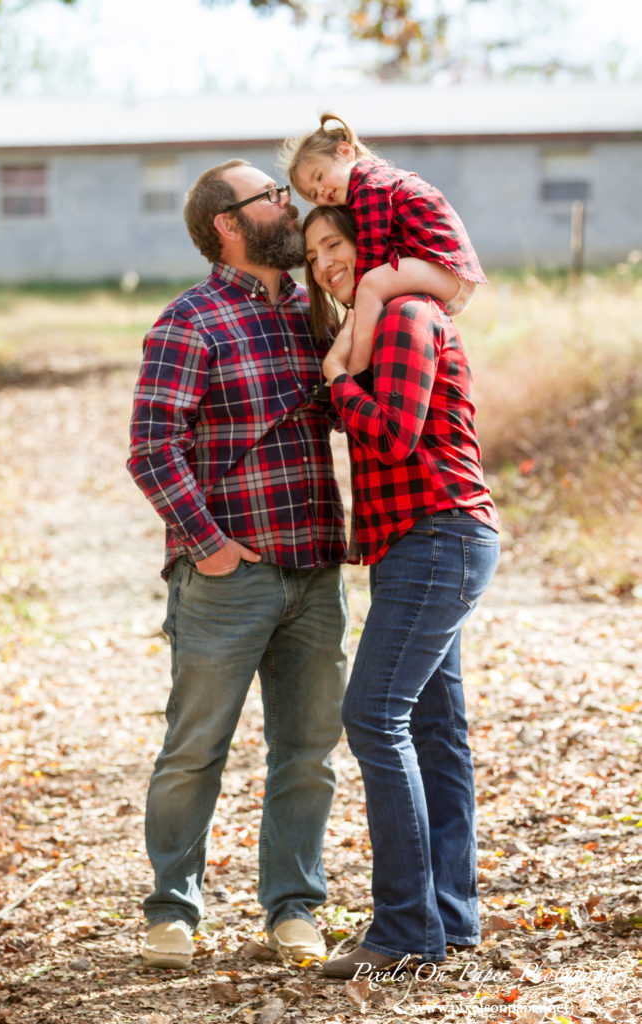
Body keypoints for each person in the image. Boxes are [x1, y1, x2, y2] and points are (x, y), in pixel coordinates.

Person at [127, 160, 349, 970]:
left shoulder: (312, 313)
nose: (288, 207)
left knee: (309, 752)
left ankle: (293, 908)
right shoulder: (190, 320)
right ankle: (171, 912)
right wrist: (209, 545)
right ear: (229, 222)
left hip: (316, 571)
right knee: (194, 749)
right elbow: (152, 449)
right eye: (272, 197)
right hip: (228, 578)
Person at [302, 205, 500, 979]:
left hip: (438, 535)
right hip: (410, 545)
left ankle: (404, 930)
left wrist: (335, 384)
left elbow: (391, 435)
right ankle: (448, 917)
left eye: (335, 245)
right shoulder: (366, 327)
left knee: (372, 715)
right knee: (433, 728)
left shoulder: (409, 315)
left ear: (371, 246)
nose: (323, 263)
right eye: (313, 253)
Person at [284, 112, 486, 380]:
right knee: (372, 288)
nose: (321, 192)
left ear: (345, 152)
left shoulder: (368, 186)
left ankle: (356, 375)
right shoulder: (377, 178)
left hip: (445, 270)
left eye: (320, 177)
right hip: (442, 269)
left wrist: (359, 299)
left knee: (369, 284)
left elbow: (372, 249)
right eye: (312, 194)